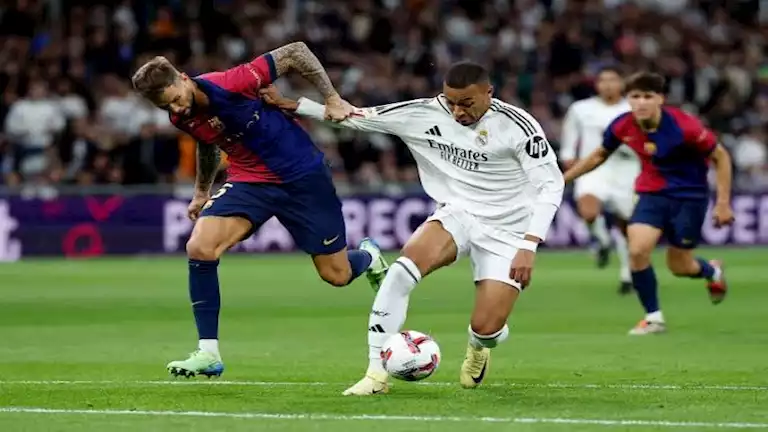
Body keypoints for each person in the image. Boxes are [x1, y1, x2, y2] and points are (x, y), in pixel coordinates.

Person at [261, 61, 564, 394]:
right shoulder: (423, 112)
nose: (457, 112)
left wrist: (529, 245)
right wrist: (294, 105)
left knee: (486, 328)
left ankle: (480, 346)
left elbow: (552, 185)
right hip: (458, 213)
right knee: (401, 272)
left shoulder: (518, 126)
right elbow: (356, 117)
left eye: (467, 103)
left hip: (509, 229)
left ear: (488, 93)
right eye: (451, 102)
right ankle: (376, 375)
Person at [130, 42, 388, 378]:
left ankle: (369, 257)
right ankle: (208, 353)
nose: (176, 108)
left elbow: (296, 52)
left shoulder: (232, 82)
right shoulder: (181, 115)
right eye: (167, 106)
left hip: (302, 176)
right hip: (250, 180)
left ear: (183, 77)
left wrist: (332, 98)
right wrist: (201, 192)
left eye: (176, 98)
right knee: (200, 247)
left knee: (336, 275)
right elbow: (208, 143)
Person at [563, 72, 733, 335]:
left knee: (680, 266)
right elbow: (599, 155)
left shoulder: (685, 126)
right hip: (651, 193)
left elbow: (721, 157)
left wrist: (723, 203)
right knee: (637, 250)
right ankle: (653, 318)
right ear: (628, 99)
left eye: (647, 96)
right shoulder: (623, 125)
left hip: (690, 196)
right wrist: (564, 179)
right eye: (635, 97)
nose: (641, 103)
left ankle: (711, 271)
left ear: (660, 99)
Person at [560, 67, 635, 294]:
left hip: (627, 169)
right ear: (596, 84)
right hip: (592, 166)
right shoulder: (581, 109)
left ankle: (627, 275)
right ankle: (602, 240)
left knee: (626, 224)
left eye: (613, 79)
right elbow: (569, 137)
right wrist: (568, 158)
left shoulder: (633, 108)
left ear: (622, 83)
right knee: (588, 211)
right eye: (603, 80)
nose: (608, 85)